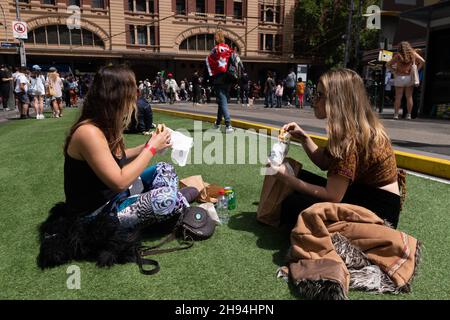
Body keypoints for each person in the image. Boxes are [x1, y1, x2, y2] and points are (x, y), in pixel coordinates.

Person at [37, 65, 197, 269]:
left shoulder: (104, 124)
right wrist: (151, 148)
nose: (135, 99)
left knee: (165, 168)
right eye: (133, 93)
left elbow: (120, 158)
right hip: (97, 216)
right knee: (166, 198)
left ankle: (171, 203)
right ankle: (175, 202)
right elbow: (119, 180)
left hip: (115, 197)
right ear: (117, 95)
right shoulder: (88, 132)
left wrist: (153, 146)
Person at [266, 68, 405, 229]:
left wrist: (288, 179)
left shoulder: (350, 139)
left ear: (337, 101)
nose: (314, 100)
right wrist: (304, 138)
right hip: (364, 195)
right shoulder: (350, 128)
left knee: (293, 203)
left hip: (378, 212)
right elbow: (325, 162)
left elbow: (332, 196)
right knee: (297, 177)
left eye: (320, 95)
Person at [386, 41, 425, 120]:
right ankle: (409, 115)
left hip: (399, 77)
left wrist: (394, 71)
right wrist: (416, 69)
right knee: (409, 97)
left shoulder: (398, 56)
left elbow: (387, 64)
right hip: (409, 77)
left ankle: (396, 115)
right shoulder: (413, 54)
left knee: (398, 97)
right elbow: (422, 61)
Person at [205, 30, 234, 133]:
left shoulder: (215, 49)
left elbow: (208, 61)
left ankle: (228, 124)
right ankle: (217, 123)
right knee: (222, 101)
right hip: (229, 78)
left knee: (223, 101)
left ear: (215, 38)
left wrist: (208, 79)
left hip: (219, 79)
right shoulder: (229, 49)